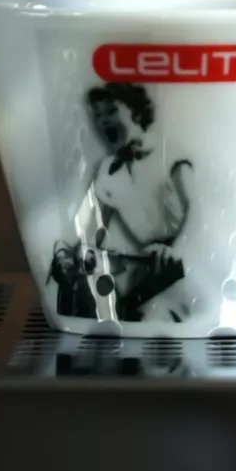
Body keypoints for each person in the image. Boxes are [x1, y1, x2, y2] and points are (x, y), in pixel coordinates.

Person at [84, 83, 194, 321]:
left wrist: (177, 249)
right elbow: (92, 228)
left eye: (111, 111)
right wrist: (73, 255)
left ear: (135, 111)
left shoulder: (171, 154)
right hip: (145, 267)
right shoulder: (107, 170)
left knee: (162, 316)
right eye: (98, 115)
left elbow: (198, 210)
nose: (103, 121)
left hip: (186, 263)